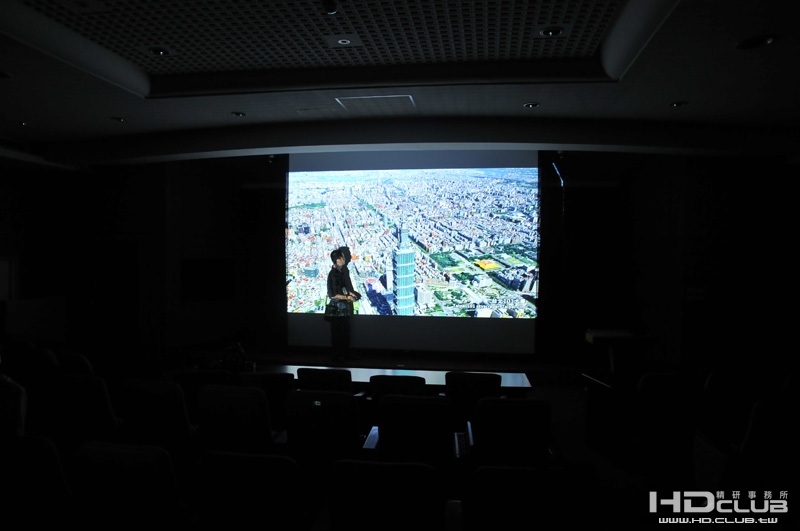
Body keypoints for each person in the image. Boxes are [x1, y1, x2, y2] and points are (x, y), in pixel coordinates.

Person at [327, 249, 357, 362]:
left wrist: (350, 294)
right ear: (338, 260)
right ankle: (338, 356)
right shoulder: (333, 275)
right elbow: (333, 295)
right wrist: (347, 297)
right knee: (338, 333)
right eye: (343, 257)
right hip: (338, 310)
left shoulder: (341, 272)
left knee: (345, 332)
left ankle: (346, 354)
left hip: (343, 309)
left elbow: (343, 288)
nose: (345, 259)